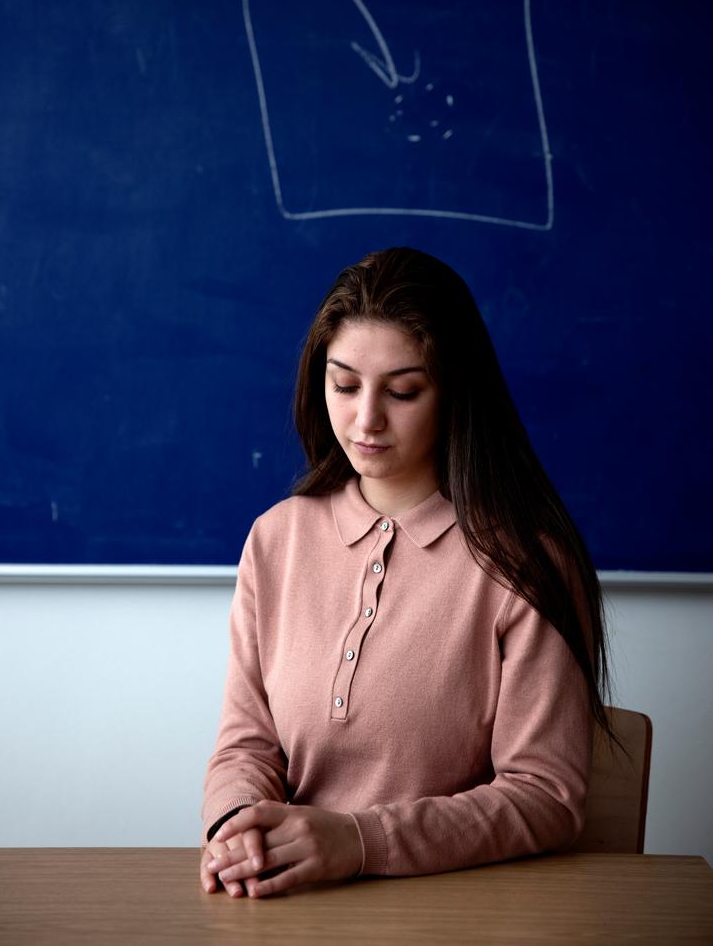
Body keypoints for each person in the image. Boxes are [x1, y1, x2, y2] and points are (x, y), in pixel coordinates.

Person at [199, 247, 612, 900]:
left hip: (454, 909)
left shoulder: (525, 562)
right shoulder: (275, 539)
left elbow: (546, 795)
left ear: (454, 392)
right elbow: (246, 742)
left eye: (403, 390)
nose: (366, 420)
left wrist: (358, 841)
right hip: (286, 902)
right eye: (344, 384)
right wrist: (239, 828)